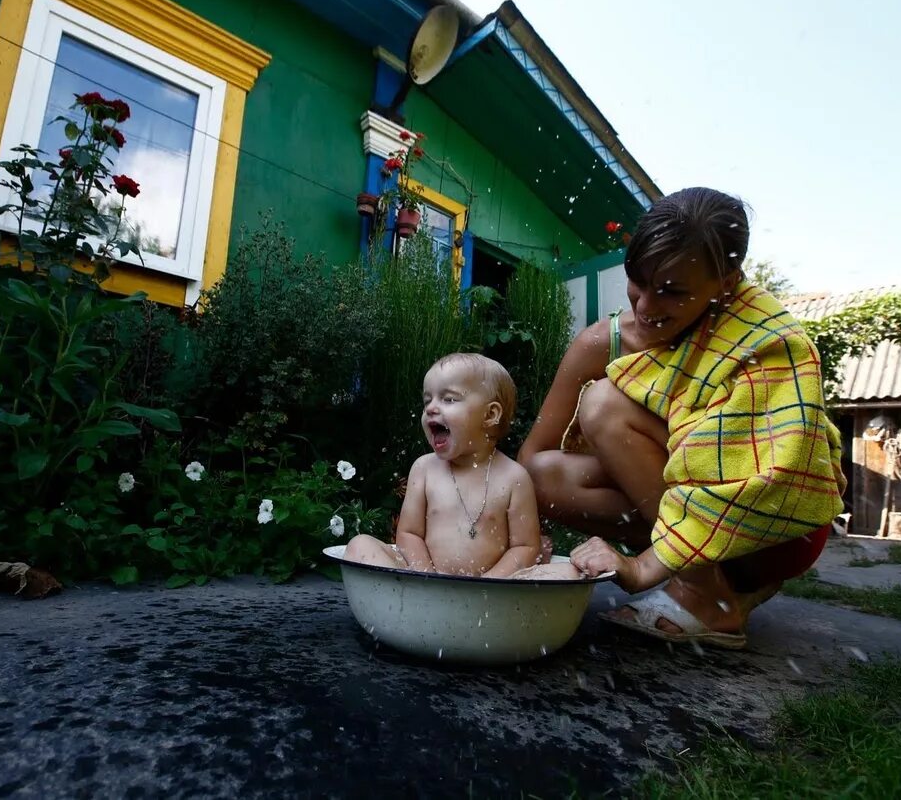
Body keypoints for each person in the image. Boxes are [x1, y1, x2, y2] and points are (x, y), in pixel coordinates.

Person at [518, 187, 845, 648]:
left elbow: (783, 475)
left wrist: (643, 566)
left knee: (604, 404)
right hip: (678, 513)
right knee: (541, 475)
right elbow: (530, 461)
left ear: (727, 283)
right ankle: (716, 588)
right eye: (638, 280)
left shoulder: (763, 343)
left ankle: (704, 594)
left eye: (672, 292)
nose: (646, 307)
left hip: (771, 530)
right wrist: (523, 541)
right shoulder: (602, 344)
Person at [345, 353, 581, 580]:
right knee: (360, 545)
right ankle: (422, 596)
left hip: (491, 591)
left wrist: (489, 582)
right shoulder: (424, 469)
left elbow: (525, 547)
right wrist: (427, 575)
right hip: (427, 580)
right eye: (427, 400)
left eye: (448, 399)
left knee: (569, 573)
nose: (431, 408)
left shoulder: (513, 477)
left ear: (490, 415)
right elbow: (409, 534)